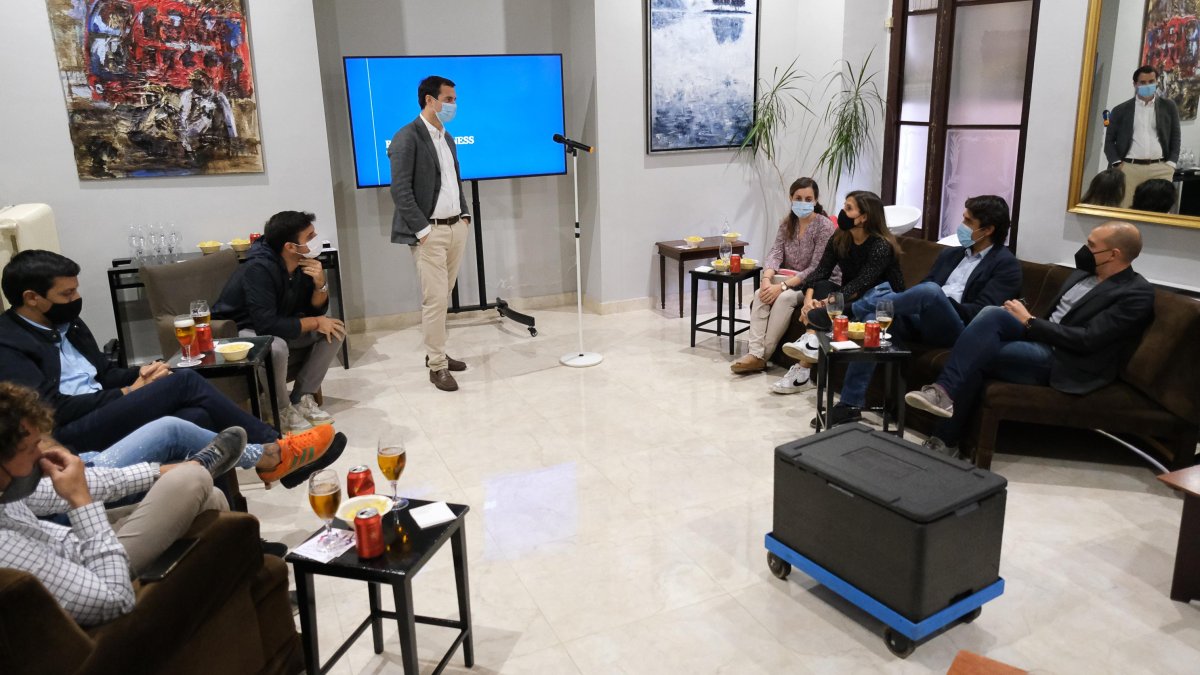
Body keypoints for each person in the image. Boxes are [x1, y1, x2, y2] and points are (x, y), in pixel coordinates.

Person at [0, 250, 342, 486]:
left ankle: (232, 522)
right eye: (66, 293)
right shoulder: (9, 343)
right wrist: (126, 392)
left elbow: (104, 374)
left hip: (105, 407)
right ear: (32, 298)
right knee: (184, 383)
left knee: (197, 417)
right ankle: (276, 449)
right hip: (71, 432)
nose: (75, 299)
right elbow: (49, 411)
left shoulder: (70, 324)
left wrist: (142, 373)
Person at [904, 222, 1154, 457]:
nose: (1084, 250)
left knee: (977, 357)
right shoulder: (1083, 275)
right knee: (993, 314)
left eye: (1091, 245)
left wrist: (1030, 322)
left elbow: (1088, 340)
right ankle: (943, 392)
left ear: (1113, 254)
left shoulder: (1135, 293)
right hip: (1039, 338)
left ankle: (944, 438)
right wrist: (1022, 318)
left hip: (1066, 360)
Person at [0, 382, 238, 627]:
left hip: (84, 547)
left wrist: (158, 472)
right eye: (29, 448)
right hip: (101, 571)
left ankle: (232, 604)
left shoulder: (7, 492)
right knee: (191, 479)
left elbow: (82, 483)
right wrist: (82, 504)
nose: (39, 454)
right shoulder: (4, 548)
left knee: (212, 497)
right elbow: (116, 598)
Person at [819, 196, 1023, 426]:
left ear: (987, 230)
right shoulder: (951, 254)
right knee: (875, 317)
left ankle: (853, 309)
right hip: (921, 318)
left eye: (968, 221)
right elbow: (921, 290)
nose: (961, 225)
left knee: (930, 292)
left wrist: (937, 302)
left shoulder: (1006, 265)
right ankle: (850, 405)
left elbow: (980, 312)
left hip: (957, 329)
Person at [213, 210, 345, 432]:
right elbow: (266, 325)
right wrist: (314, 322)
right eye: (309, 237)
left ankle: (301, 398)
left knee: (335, 330)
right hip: (236, 332)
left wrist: (320, 284)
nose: (316, 241)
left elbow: (314, 308)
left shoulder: (302, 263)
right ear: (290, 247)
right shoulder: (259, 269)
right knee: (275, 347)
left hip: (273, 326)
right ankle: (280, 410)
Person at [388, 75, 472, 392]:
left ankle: (437, 353)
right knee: (435, 300)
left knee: (442, 297)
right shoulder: (406, 137)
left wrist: (464, 215)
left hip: (455, 228)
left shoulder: (446, 138)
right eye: (448, 99)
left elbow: (454, 181)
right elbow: (400, 191)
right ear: (429, 100)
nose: (453, 105)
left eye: (454, 99)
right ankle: (436, 365)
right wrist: (423, 231)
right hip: (430, 233)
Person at [780, 190, 905, 376]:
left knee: (825, 309)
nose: (842, 212)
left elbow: (861, 284)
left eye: (848, 208)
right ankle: (811, 340)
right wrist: (808, 301)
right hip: (850, 296)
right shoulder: (840, 237)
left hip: (877, 303)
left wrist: (823, 304)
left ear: (863, 217)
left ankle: (803, 368)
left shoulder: (881, 245)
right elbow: (821, 271)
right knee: (822, 286)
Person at [730, 177, 837, 392]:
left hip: (813, 282)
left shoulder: (824, 226)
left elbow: (817, 268)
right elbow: (775, 253)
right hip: (787, 278)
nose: (803, 202)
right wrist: (767, 278)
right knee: (762, 293)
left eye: (808, 199)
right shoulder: (787, 223)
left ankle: (762, 356)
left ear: (816, 201)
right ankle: (755, 353)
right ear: (791, 198)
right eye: (798, 198)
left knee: (785, 298)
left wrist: (784, 287)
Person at [1104, 65, 1180, 209]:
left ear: (1157, 81)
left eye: (1151, 81)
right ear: (1135, 84)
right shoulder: (1121, 110)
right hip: (1129, 168)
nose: (1148, 85)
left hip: (1160, 168)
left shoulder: (1168, 106)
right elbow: (1109, 141)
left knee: (1158, 213)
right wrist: (1117, 164)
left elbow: (1175, 137)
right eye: (1143, 83)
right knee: (1126, 209)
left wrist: (1171, 164)